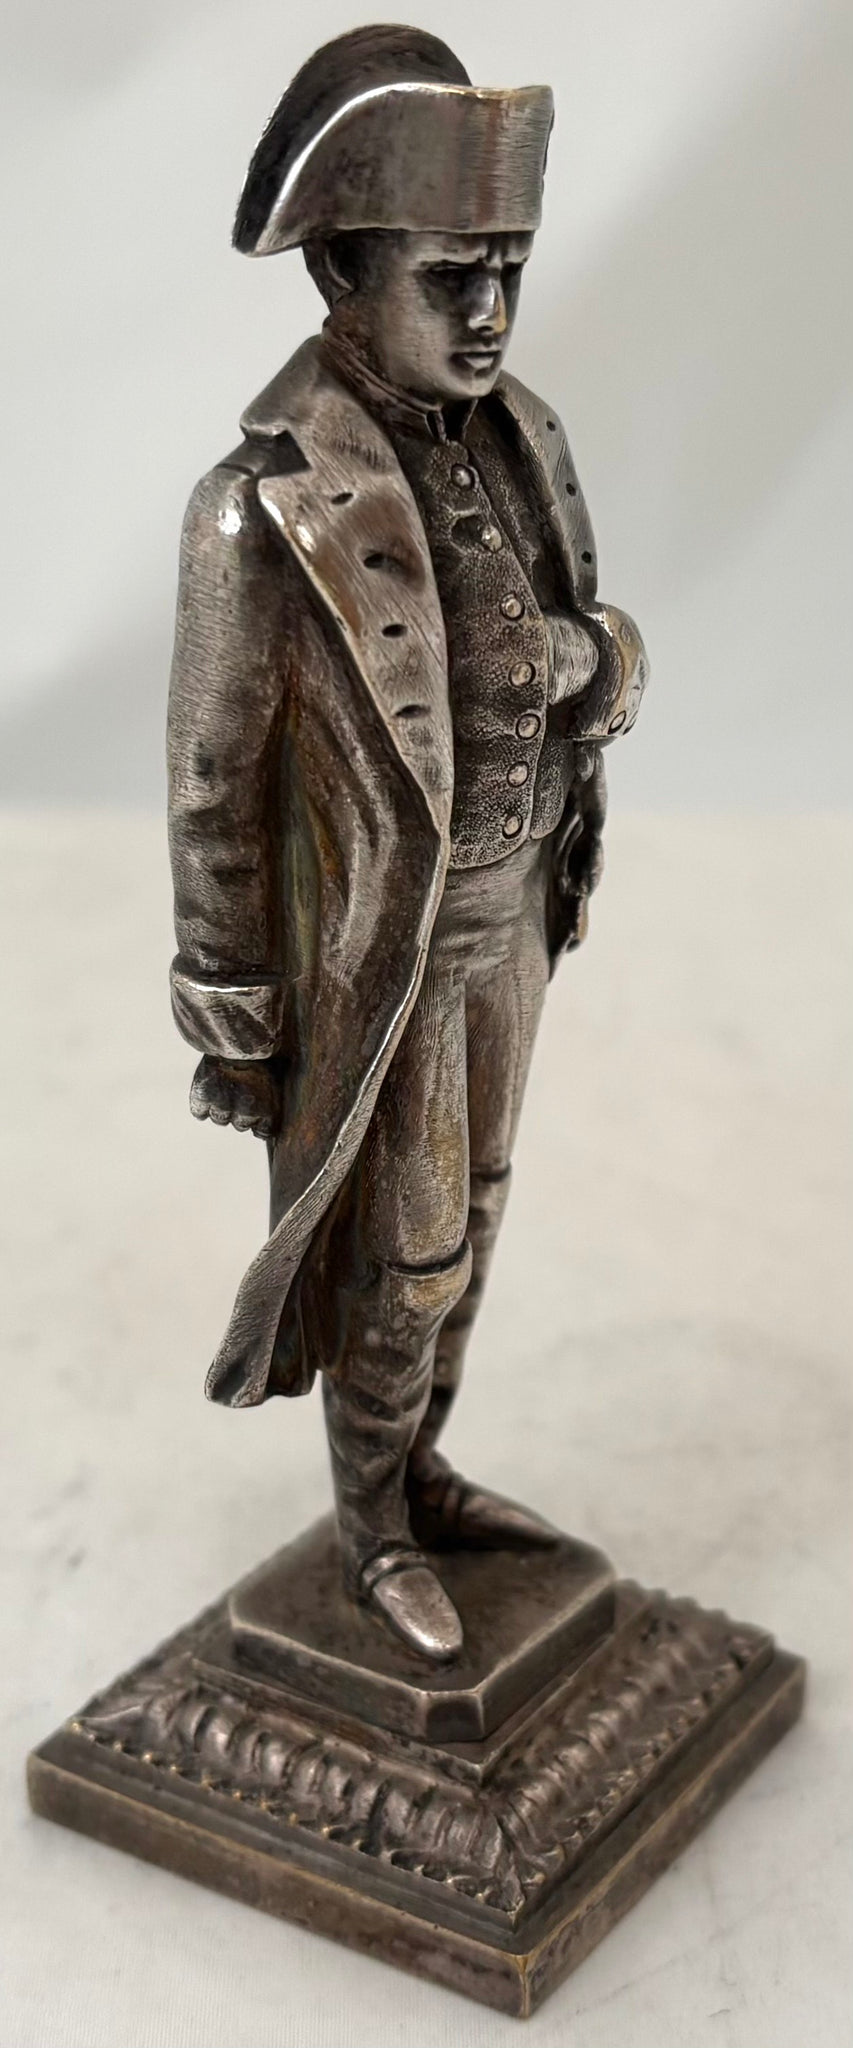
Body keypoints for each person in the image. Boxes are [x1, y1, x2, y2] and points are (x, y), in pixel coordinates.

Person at [167, 26, 647, 1661]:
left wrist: (598, 665)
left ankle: (419, 1467)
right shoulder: (258, 505)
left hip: (520, 909)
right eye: (452, 277)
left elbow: (588, 641)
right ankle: (371, 1523)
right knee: (407, 1254)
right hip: (380, 953)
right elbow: (213, 786)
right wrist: (235, 1010)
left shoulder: (526, 436)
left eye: (507, 270)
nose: (490, 311)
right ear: (344, 277)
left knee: (482, 1213)